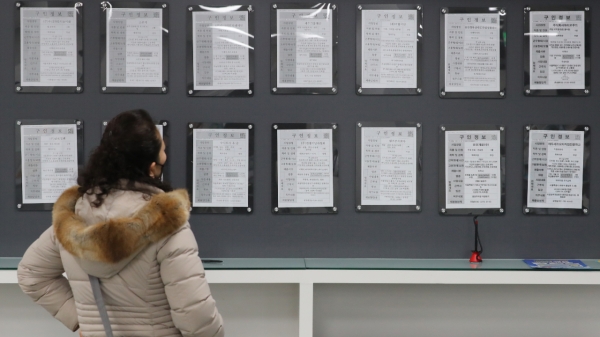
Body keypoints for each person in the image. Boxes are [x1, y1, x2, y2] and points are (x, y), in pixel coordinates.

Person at [17, 109, 224, 337]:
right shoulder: (167, 226)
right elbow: (197, 317)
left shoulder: (72, 220)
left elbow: (31, 275)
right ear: (151, 168)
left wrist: (84, 322)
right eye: (163, 153)